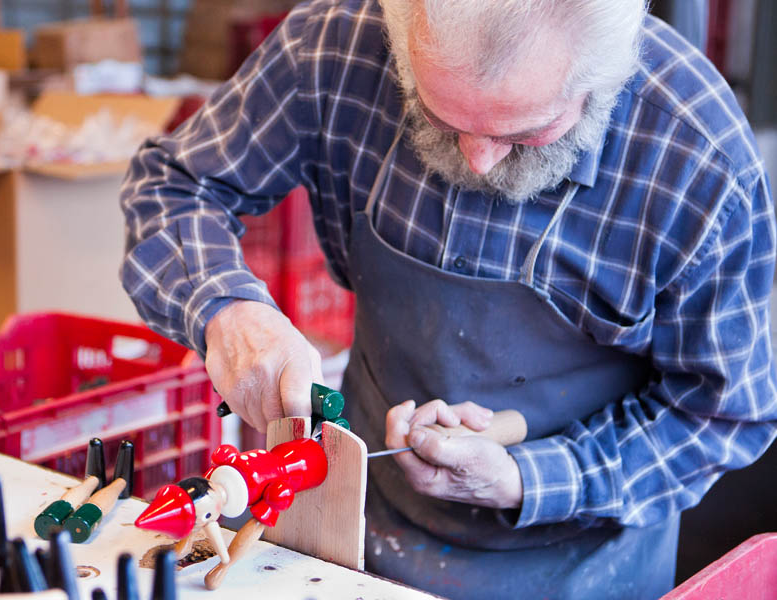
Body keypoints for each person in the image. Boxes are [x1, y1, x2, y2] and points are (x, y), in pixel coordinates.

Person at [120, 1, 777, 598]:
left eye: (527, 132)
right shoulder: (337, 45)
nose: (479, 160)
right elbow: (173, 187)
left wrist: (528, 478)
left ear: (598, 78)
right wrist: (228, 311)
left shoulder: (694, 152)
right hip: (358, 534)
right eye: (438, 116)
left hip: (582, 568)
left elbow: (724, 414)